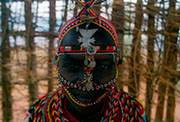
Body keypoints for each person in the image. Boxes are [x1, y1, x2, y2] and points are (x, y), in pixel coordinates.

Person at [24, 0, 147, 121]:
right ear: (57, 66)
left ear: (117, 66)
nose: (87, 83)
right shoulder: (36, 115)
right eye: (72, 67)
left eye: (103, 67)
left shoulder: (134, 113)